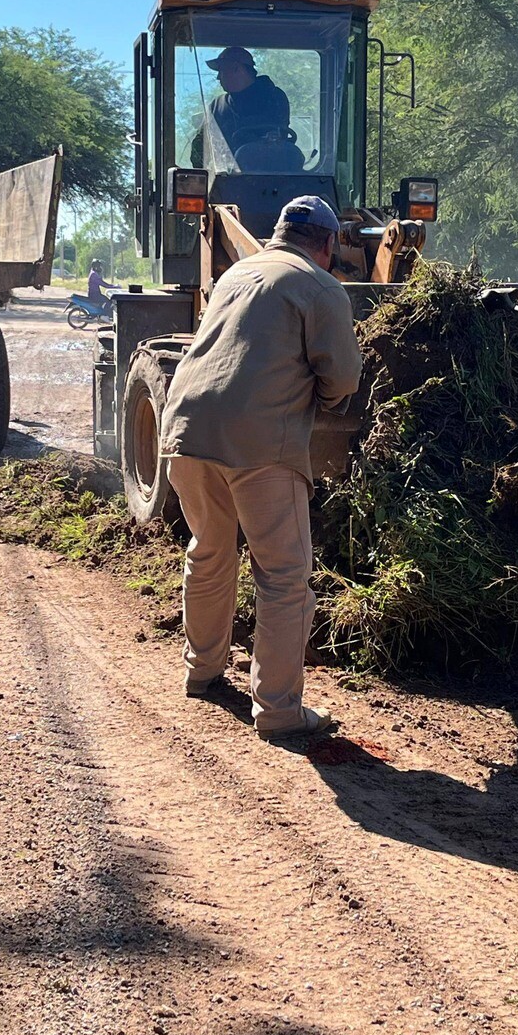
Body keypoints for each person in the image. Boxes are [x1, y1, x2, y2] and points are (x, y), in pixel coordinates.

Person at [159, 194, 361, 742]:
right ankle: (277, 711)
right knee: (284, 576)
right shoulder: (321, 287)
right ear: (328, 243)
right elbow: (341, 379)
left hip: (185, 431)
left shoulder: (237, 274)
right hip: (258, 445)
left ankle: (201, 672)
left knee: (210, 551)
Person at [201, 46, 298, 171]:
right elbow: (201, 147)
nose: (218, 77)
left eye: (221, 70)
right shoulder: (217, 106)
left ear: (236, 68)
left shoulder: (273, 97)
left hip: (275, 181)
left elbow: (276, 143)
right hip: (226, 183)